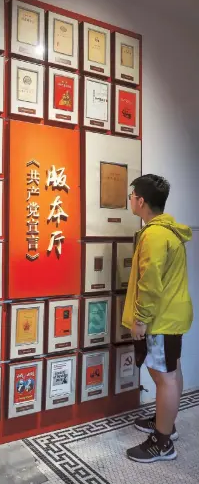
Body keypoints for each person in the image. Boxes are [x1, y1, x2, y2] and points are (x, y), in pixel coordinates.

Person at [122, 174, 193, 463]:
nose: (130, 201)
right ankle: (166, 423)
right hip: (171, 316)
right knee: (171, 371)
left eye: (131, 196)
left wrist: (140, 319)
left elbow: (150, 283)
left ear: (141, 201)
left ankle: (162, 442)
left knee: (165, 378)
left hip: (160, 319)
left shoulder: (153, 235)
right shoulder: (168, 231)